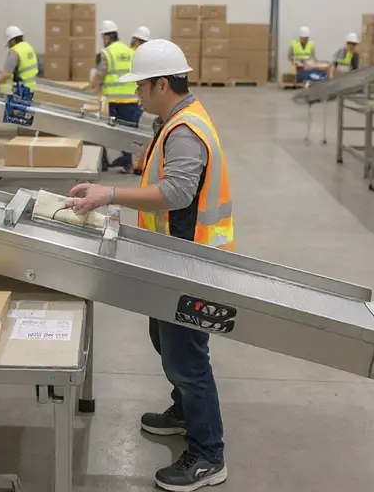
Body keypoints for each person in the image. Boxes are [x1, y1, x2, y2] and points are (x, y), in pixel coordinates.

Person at [67, 39, 232, 491]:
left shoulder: (183, 130)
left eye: (141, 87)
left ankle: (208, 455)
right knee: (164, 338)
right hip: (170, 252)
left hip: (188, 258)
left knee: (187, 359)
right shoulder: (174, 121)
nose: (136, 95)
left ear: (162, 84)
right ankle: (184, 412)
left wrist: (110, 193)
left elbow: (178, 193)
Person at [90, 20, 144, 171]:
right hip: (132, 99)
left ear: (107, 37)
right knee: (129, 132)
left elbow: (101, 73)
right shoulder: (130, 51)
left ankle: (114, 161)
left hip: (114, 99)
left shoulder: (107, 52)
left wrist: (94, 88)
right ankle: (128, 161)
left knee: (112, 132)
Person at [0, 25, 39, 93]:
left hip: (20, 89)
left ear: (12, 40)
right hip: (31, 88)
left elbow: (6, 74)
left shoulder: (15, 51)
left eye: (8, 42)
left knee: (4, 86)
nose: (8, 46)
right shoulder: (28, 47)